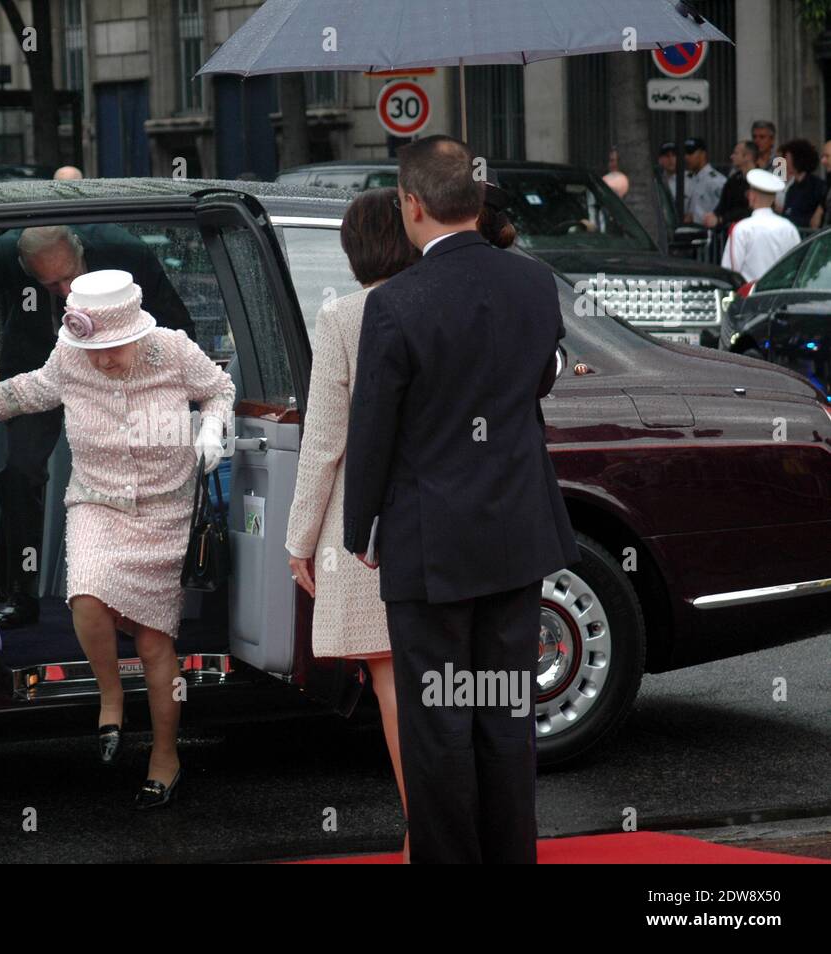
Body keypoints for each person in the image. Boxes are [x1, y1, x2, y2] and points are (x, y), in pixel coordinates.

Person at [342, 136, 579, 864]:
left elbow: (372, 428)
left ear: (412, 205)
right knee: (505, 712)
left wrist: (361, 529)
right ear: (476, 199)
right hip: (516, 531)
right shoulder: (535, 282)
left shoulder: (395, 303)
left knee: (439, 720)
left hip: (431, 541)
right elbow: (539, 379)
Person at [0, 269, 234, 808]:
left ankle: (165, 757)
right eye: (93, 349)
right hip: (95, 501)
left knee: (154, 641)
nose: (102, 360)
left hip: (164, 511)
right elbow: (35, 389)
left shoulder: (172, 350)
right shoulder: (71, 357)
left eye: (113, 348)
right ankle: (110, 696)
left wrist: (212, 428)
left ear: (137, 332)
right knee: (86, 598)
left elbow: (218, 390)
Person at [0, 224, 194, 629]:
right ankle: (17, 591)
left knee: (131, 477)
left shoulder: (125, 251)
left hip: (115, 374)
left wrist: (168, 393)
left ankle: (135, 605)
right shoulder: (3, 252)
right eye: (50, 285)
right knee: (20, 473)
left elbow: (176, 323)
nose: (65, 290)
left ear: (80, 249)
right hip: (36, 368)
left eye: (70, 277)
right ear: (25, 267)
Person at [285, 188, 420, 861]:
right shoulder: (438, 300)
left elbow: (323, 441)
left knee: (395, 685)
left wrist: (299, 540)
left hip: (367, 528)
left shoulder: (342, 315)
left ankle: (422, 829)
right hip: (444, 517)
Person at [721, 168, 802, 282]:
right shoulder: (789, 228)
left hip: (750, 292)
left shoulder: (742, 228)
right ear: (774, 199)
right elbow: (797, 265)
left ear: (752, 196)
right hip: (782, 291)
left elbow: (730, 271)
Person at [704, 140, 758, 232]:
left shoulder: (760, 180)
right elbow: (723, 204)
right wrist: (713, 216)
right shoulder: (734, 180)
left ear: (747, 156)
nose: (731, 156)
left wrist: (721, 219)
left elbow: (750, 210)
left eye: (736, 153)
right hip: (729, 231)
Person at [774, 138, 825, 228]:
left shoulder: (817, 186)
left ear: (797, 159)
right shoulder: (792, 188)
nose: (784, 163)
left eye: (787, 158)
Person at [683, 138, 726, 225]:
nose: (686, 157)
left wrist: (695, 217)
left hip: (707, 230)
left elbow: (724, 211)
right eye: (685, 153)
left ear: (703, 154)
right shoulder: (688, 178)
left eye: (690, 153)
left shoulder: (716, 180)